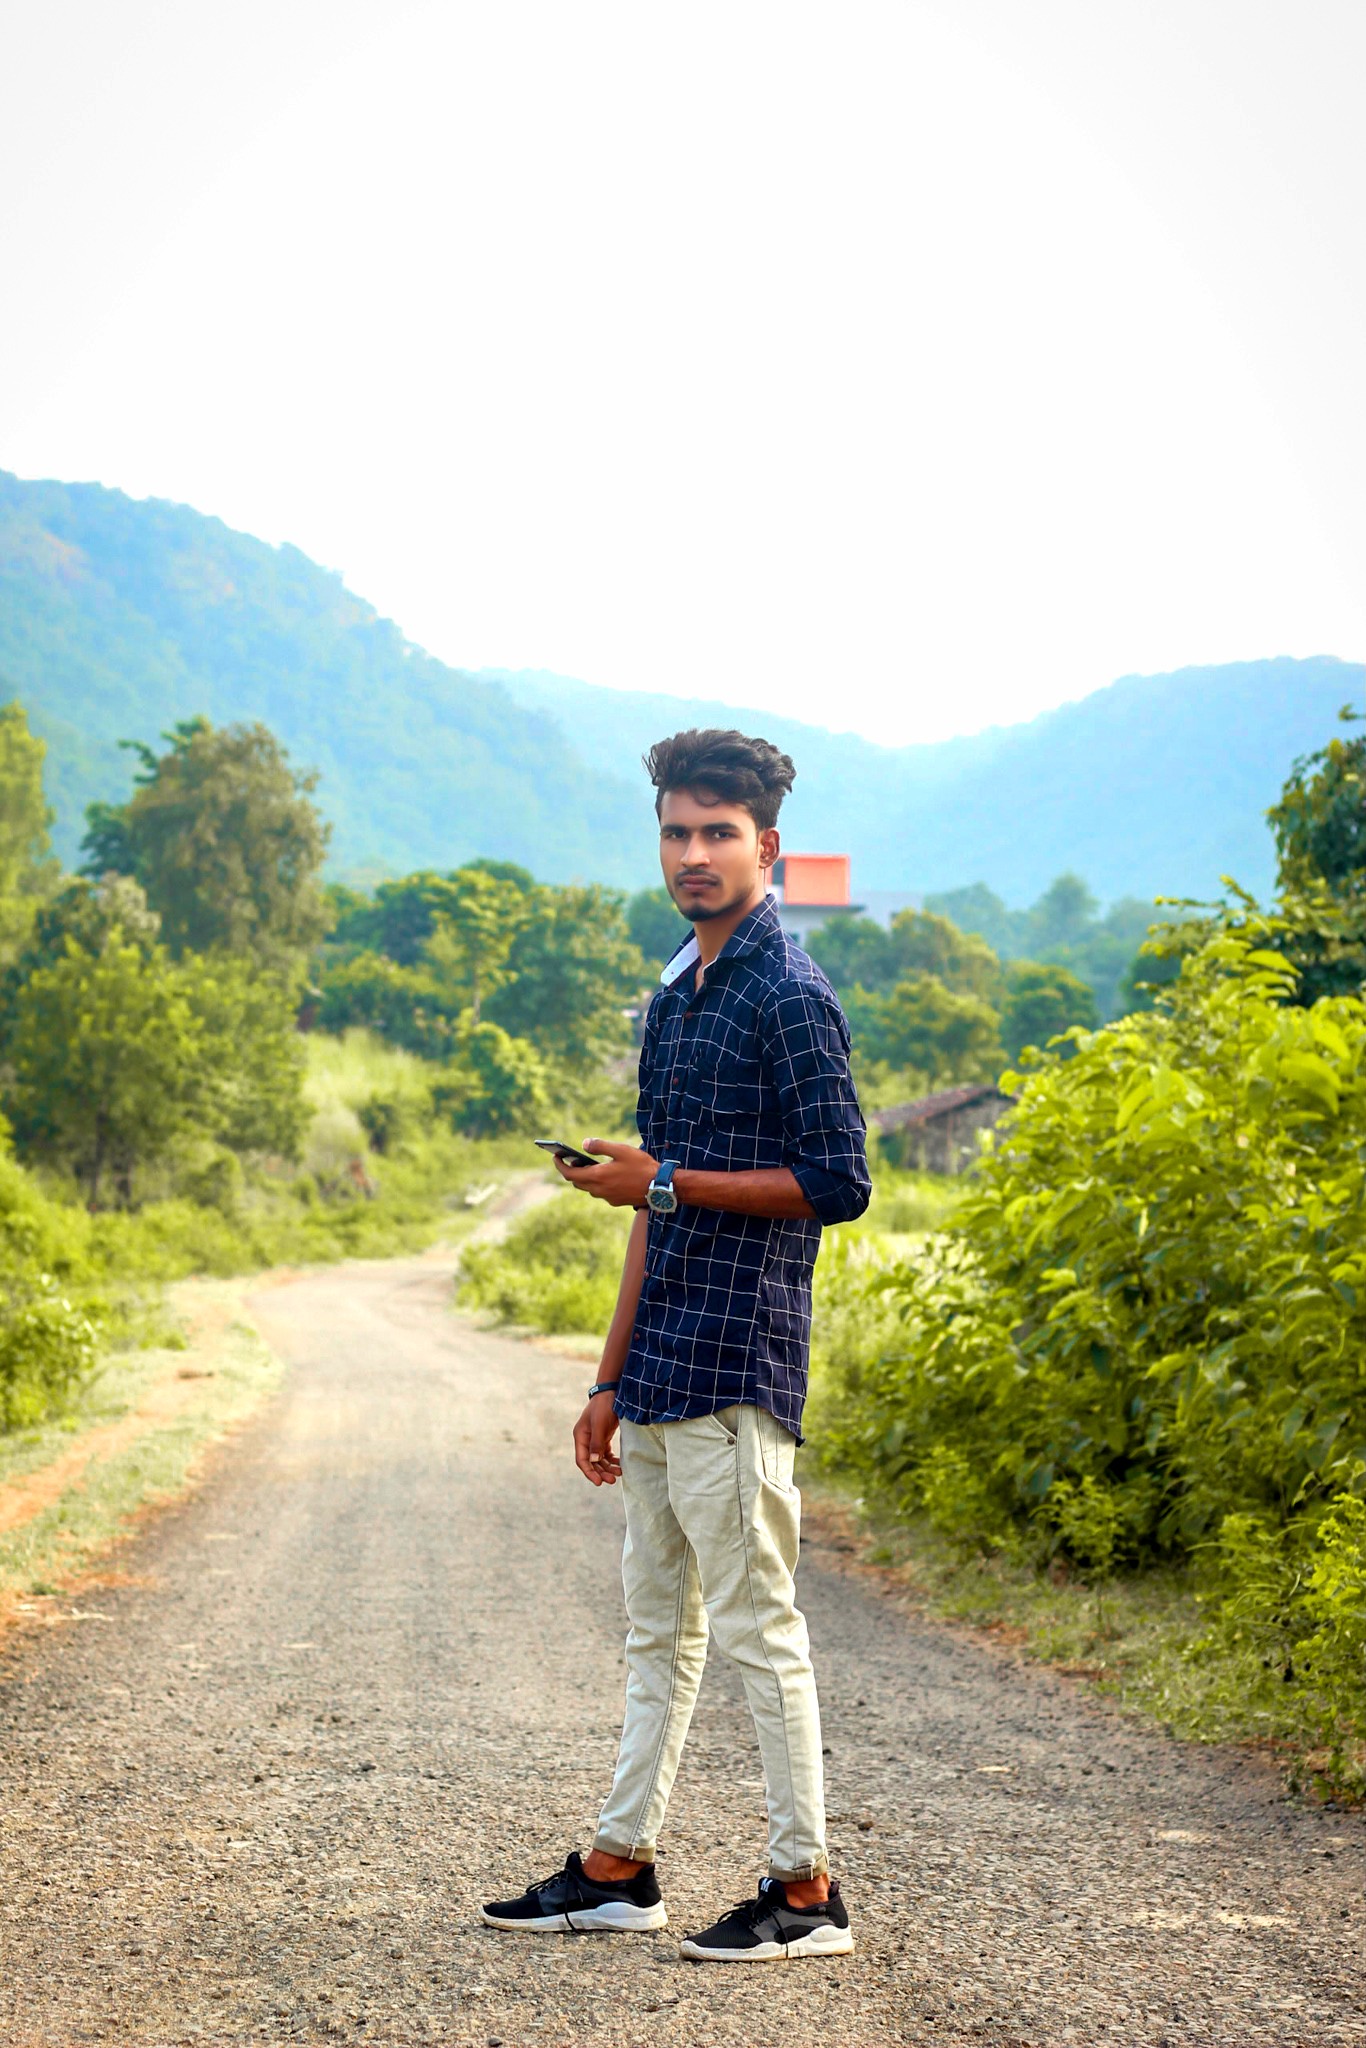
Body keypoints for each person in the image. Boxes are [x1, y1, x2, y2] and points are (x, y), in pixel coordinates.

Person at [481, 728, 870, 1962]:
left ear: (770, 848)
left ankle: (806, 1893)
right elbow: (649, 1201)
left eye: (718, 832)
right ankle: (618, 1863)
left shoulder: (790, 994)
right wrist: (605, 1374)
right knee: (658, 1629)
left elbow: (838, 1181)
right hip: (658, 1368)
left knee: (760, 1628)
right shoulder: (675, 992)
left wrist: (664, 1184)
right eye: (675, 831)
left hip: (739, 1363)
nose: (693, 854)